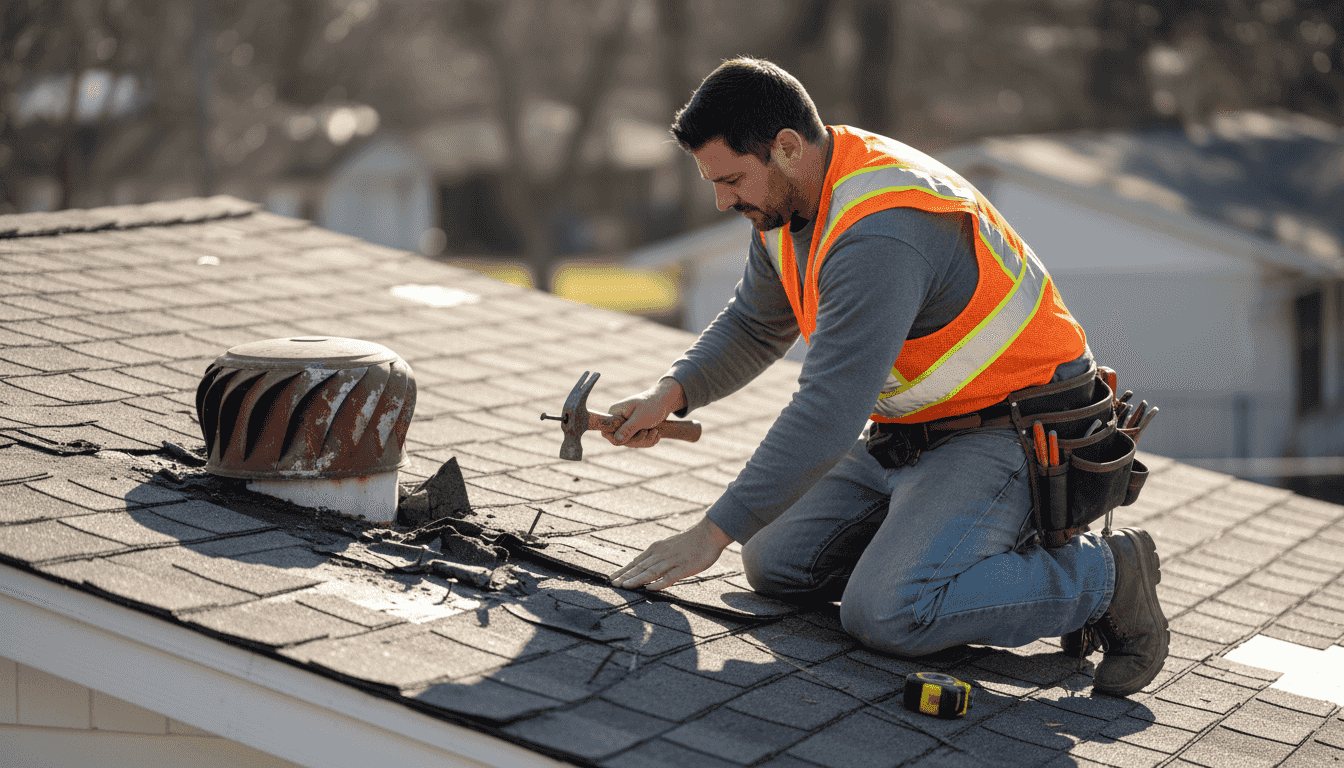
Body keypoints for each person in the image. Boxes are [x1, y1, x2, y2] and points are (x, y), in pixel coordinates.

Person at [604, 57, 1167, 697]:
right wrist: (667, 396)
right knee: (774, 562)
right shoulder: (790, 208)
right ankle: (931, 550)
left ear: (786, 148)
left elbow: (830, 409)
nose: (722, 200)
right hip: (914, 434)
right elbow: (757, 325)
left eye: (731, 179)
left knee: (891, 612)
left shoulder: (881, 229)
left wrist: (708, 534)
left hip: (1010, 431)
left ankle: (1108, 579)